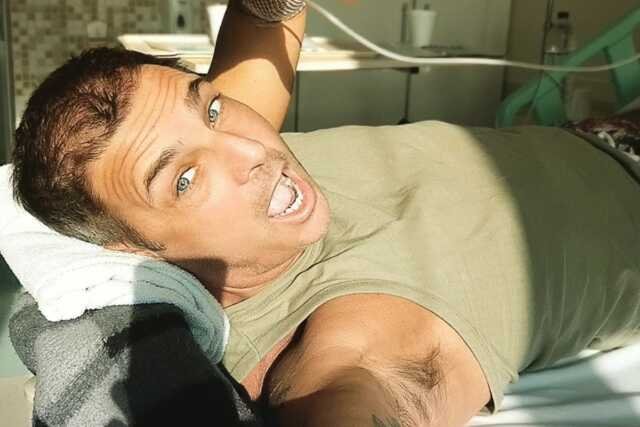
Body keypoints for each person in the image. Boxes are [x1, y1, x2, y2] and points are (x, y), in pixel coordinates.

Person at [9, 1, 640, 426]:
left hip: (595, 132)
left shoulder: (231, 156)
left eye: (210, 108)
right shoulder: (337, 342)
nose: (252, 151)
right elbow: (360, 393)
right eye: (185, 178)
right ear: (132, 249)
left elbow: (261, 17)